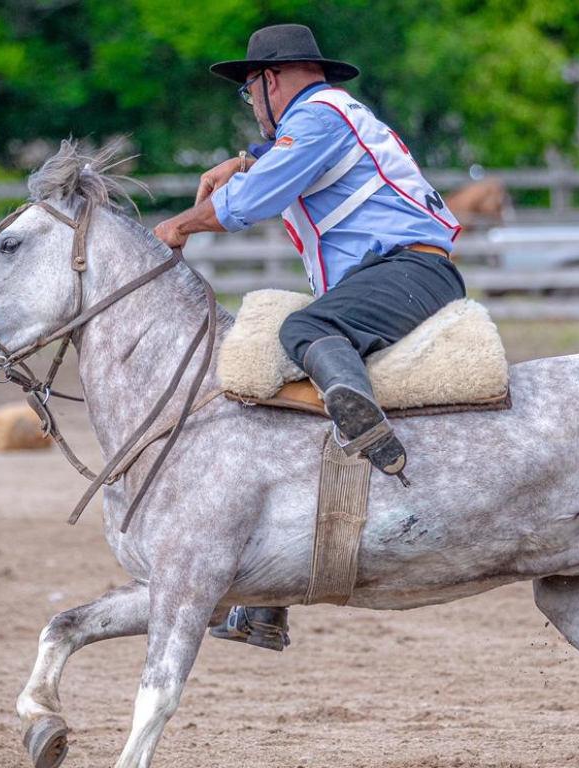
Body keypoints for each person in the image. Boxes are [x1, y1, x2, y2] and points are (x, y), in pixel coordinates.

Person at [153, 23, 464, 651]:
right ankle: (266, 598)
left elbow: (251, 202)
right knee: (284, 378)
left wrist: (179, 226)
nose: (251, 103)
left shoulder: (319, 115)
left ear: (269, 80)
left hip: (406, 271)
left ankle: (364, 426)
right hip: (404, 271)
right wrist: (244, 160)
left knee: (306, 328)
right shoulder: (329, 117)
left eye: (249, 91)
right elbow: (272, 167)